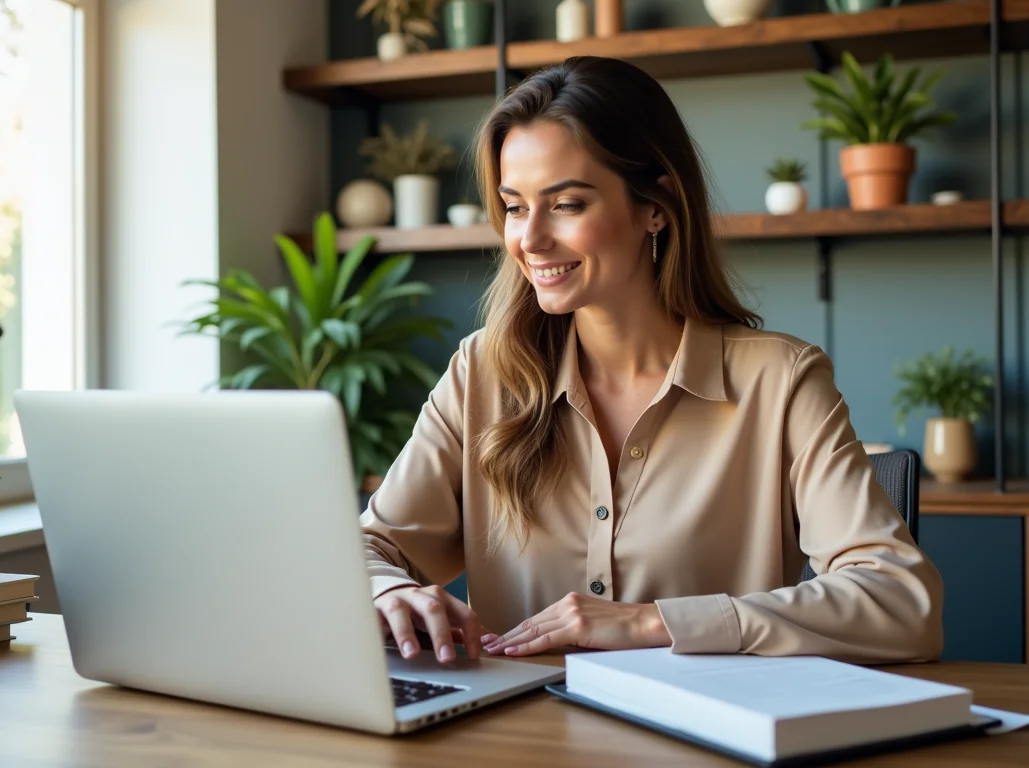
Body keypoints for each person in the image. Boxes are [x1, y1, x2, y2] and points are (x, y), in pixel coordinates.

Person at [359, 56, 943, 668]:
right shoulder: (482, 374)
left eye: (567, 204)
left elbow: (903, 603)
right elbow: (368, 549)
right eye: (513, 206)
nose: (528, 240)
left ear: (655, 205)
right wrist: (389, 589)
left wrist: (651, 623)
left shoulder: (782, 383)